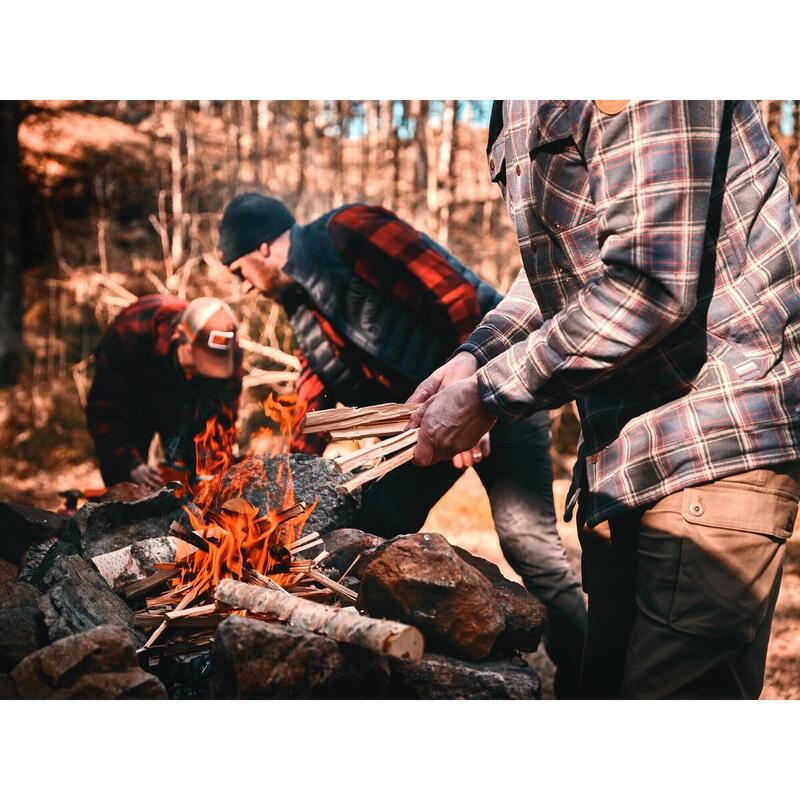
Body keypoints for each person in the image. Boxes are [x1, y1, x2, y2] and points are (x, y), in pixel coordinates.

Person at [408, 100, 800, 699]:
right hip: (624, 460)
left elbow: (647, 282)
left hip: (714, 439)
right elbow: (561, 268)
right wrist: (474, 358)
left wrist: (491, 394)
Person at [218, 193, 587, 696]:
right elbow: (317, 386)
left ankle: (593, 681)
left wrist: (472, 394)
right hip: (426, 428)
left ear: (261, 248)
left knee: (532, 550)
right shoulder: (303, 308)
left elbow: (456, 295)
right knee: (373, 521)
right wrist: (289, 480)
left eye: (238, 270)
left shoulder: (349, 228)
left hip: (497, 391)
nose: (242, 287)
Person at [87, 294, 243, 490]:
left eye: (212, 367)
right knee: (126, 483)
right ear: (180, 335)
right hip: (137, 394)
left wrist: (211, 470)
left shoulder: (228, 352)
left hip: (189, 402)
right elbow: (104, 410)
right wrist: (129, 464)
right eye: (198, 363)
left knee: (200, 483)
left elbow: (221, 420)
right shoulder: (132, 332)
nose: (200, 372)